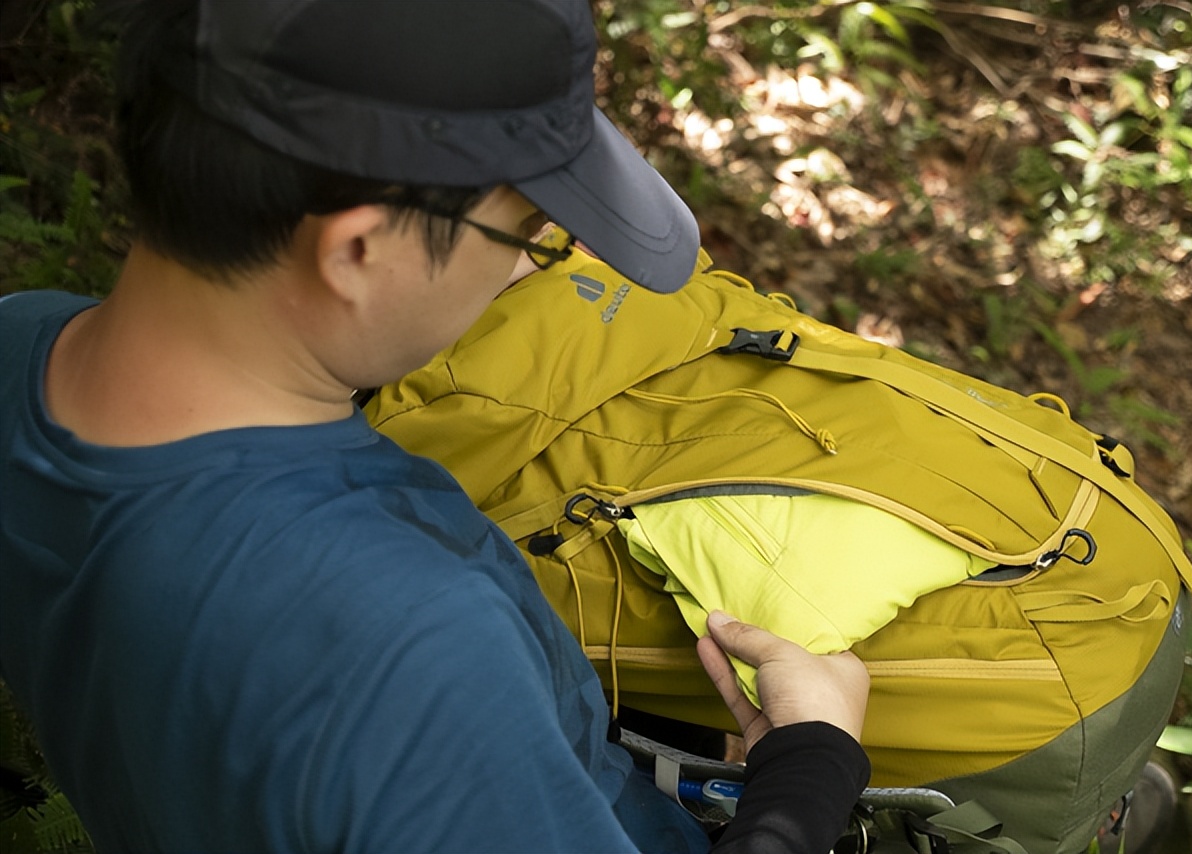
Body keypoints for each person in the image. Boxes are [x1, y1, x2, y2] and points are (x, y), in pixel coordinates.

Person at [0, 1, 872, 852]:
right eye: (528, 232)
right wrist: (809, 775)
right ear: (360, 250)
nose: (523, 271)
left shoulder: (21, 345)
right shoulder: (409, 647)